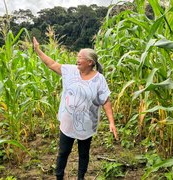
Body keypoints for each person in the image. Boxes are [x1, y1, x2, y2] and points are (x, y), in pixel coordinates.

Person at [32, 37, 118, 180]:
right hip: (68, 123)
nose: (77, 59)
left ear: (90, 62)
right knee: (63, 152)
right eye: (77, 56)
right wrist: (38, 50)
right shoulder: (70, 71)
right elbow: (52, 64)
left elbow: (106, 100)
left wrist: (111, 122)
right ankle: (59, 176)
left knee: (83, 154)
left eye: (80, 57)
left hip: (86, 124)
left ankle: (81, 177)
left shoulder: (99, 79)